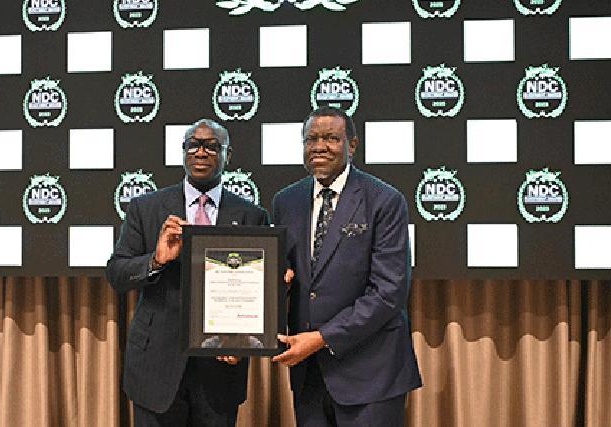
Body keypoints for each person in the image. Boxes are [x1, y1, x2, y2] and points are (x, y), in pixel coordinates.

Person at [106, 119, 269, 426]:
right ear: (183, 152)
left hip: (220, 370)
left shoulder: (252, 215)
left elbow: (259, 291)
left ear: (228, 155)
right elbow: (116, 273)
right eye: (193, 145)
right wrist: (156, 260)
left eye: (211, 146)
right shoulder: (146, 208)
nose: (200, 152)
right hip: (155, 367)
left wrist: (242, 340)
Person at [272, 107, 421, 426]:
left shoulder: (384, 200)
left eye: (330, 138)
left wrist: (322, 337)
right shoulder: (286, 201)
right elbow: (283, 273)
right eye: (311, 139)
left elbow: (388, 293)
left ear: (352, 145)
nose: (319, 147)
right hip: (309, 376)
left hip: (371, 374)